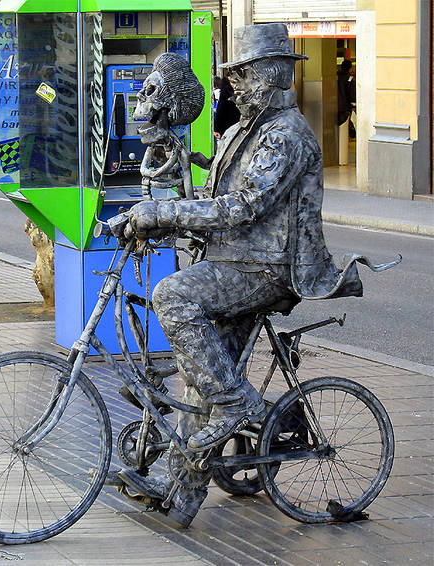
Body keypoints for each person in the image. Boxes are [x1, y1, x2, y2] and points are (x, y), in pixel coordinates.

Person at [116, 24, 367, 527]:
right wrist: (181, 168)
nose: (232, 83)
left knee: (173, 295)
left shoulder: (287, 134)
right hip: (234, 262)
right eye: (232, 75)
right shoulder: (241, 130)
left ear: (272, 74)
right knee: (198, 376)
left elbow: (246, 206)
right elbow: (217, 194)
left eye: (242, 74)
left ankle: (236, 403)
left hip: (267, 268)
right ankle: (181, 492)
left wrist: (165, 215)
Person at [337, 59, 356, 138]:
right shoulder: (349, 79)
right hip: (345, 108)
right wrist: (353, 106)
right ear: (350, 68)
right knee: (343, 129)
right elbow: (352, 94)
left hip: (334, 106)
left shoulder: (335, 77)